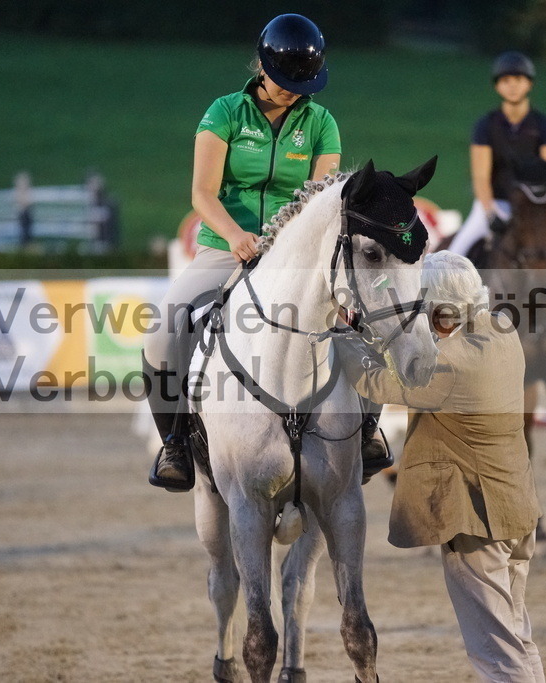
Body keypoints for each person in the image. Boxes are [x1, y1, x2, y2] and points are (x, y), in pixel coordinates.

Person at [145, 14, 388, 491]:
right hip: (224, 249)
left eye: (303, 83)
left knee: (366, 324)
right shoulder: (224, 113)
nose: (293, 91)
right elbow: (202, 194)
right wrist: (236, 236)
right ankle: (174, 442)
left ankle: (368, 432)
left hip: (294, 256)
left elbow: (323, 198)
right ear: (261, 65)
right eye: (284, 81)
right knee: (163, 331)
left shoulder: (321, 123)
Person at [337, 251, 546, 682]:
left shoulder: (450, 365)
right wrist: (365, 327)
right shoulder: (501, 329)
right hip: (517, 510)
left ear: (438, 311)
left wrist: (342, 337)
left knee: (496, 652)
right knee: (518, 637)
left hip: (478, 520)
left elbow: (375, 382)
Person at [448, 51, 546, 285]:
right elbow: (481, 176)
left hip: (534, 208)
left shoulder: (544, 125)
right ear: (497, 87)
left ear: (529, 84)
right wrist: (490, 213)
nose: (512, 86)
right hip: (496, 204)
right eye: (506, 81)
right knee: (454, 259)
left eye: (518, 80)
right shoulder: (486, 126)